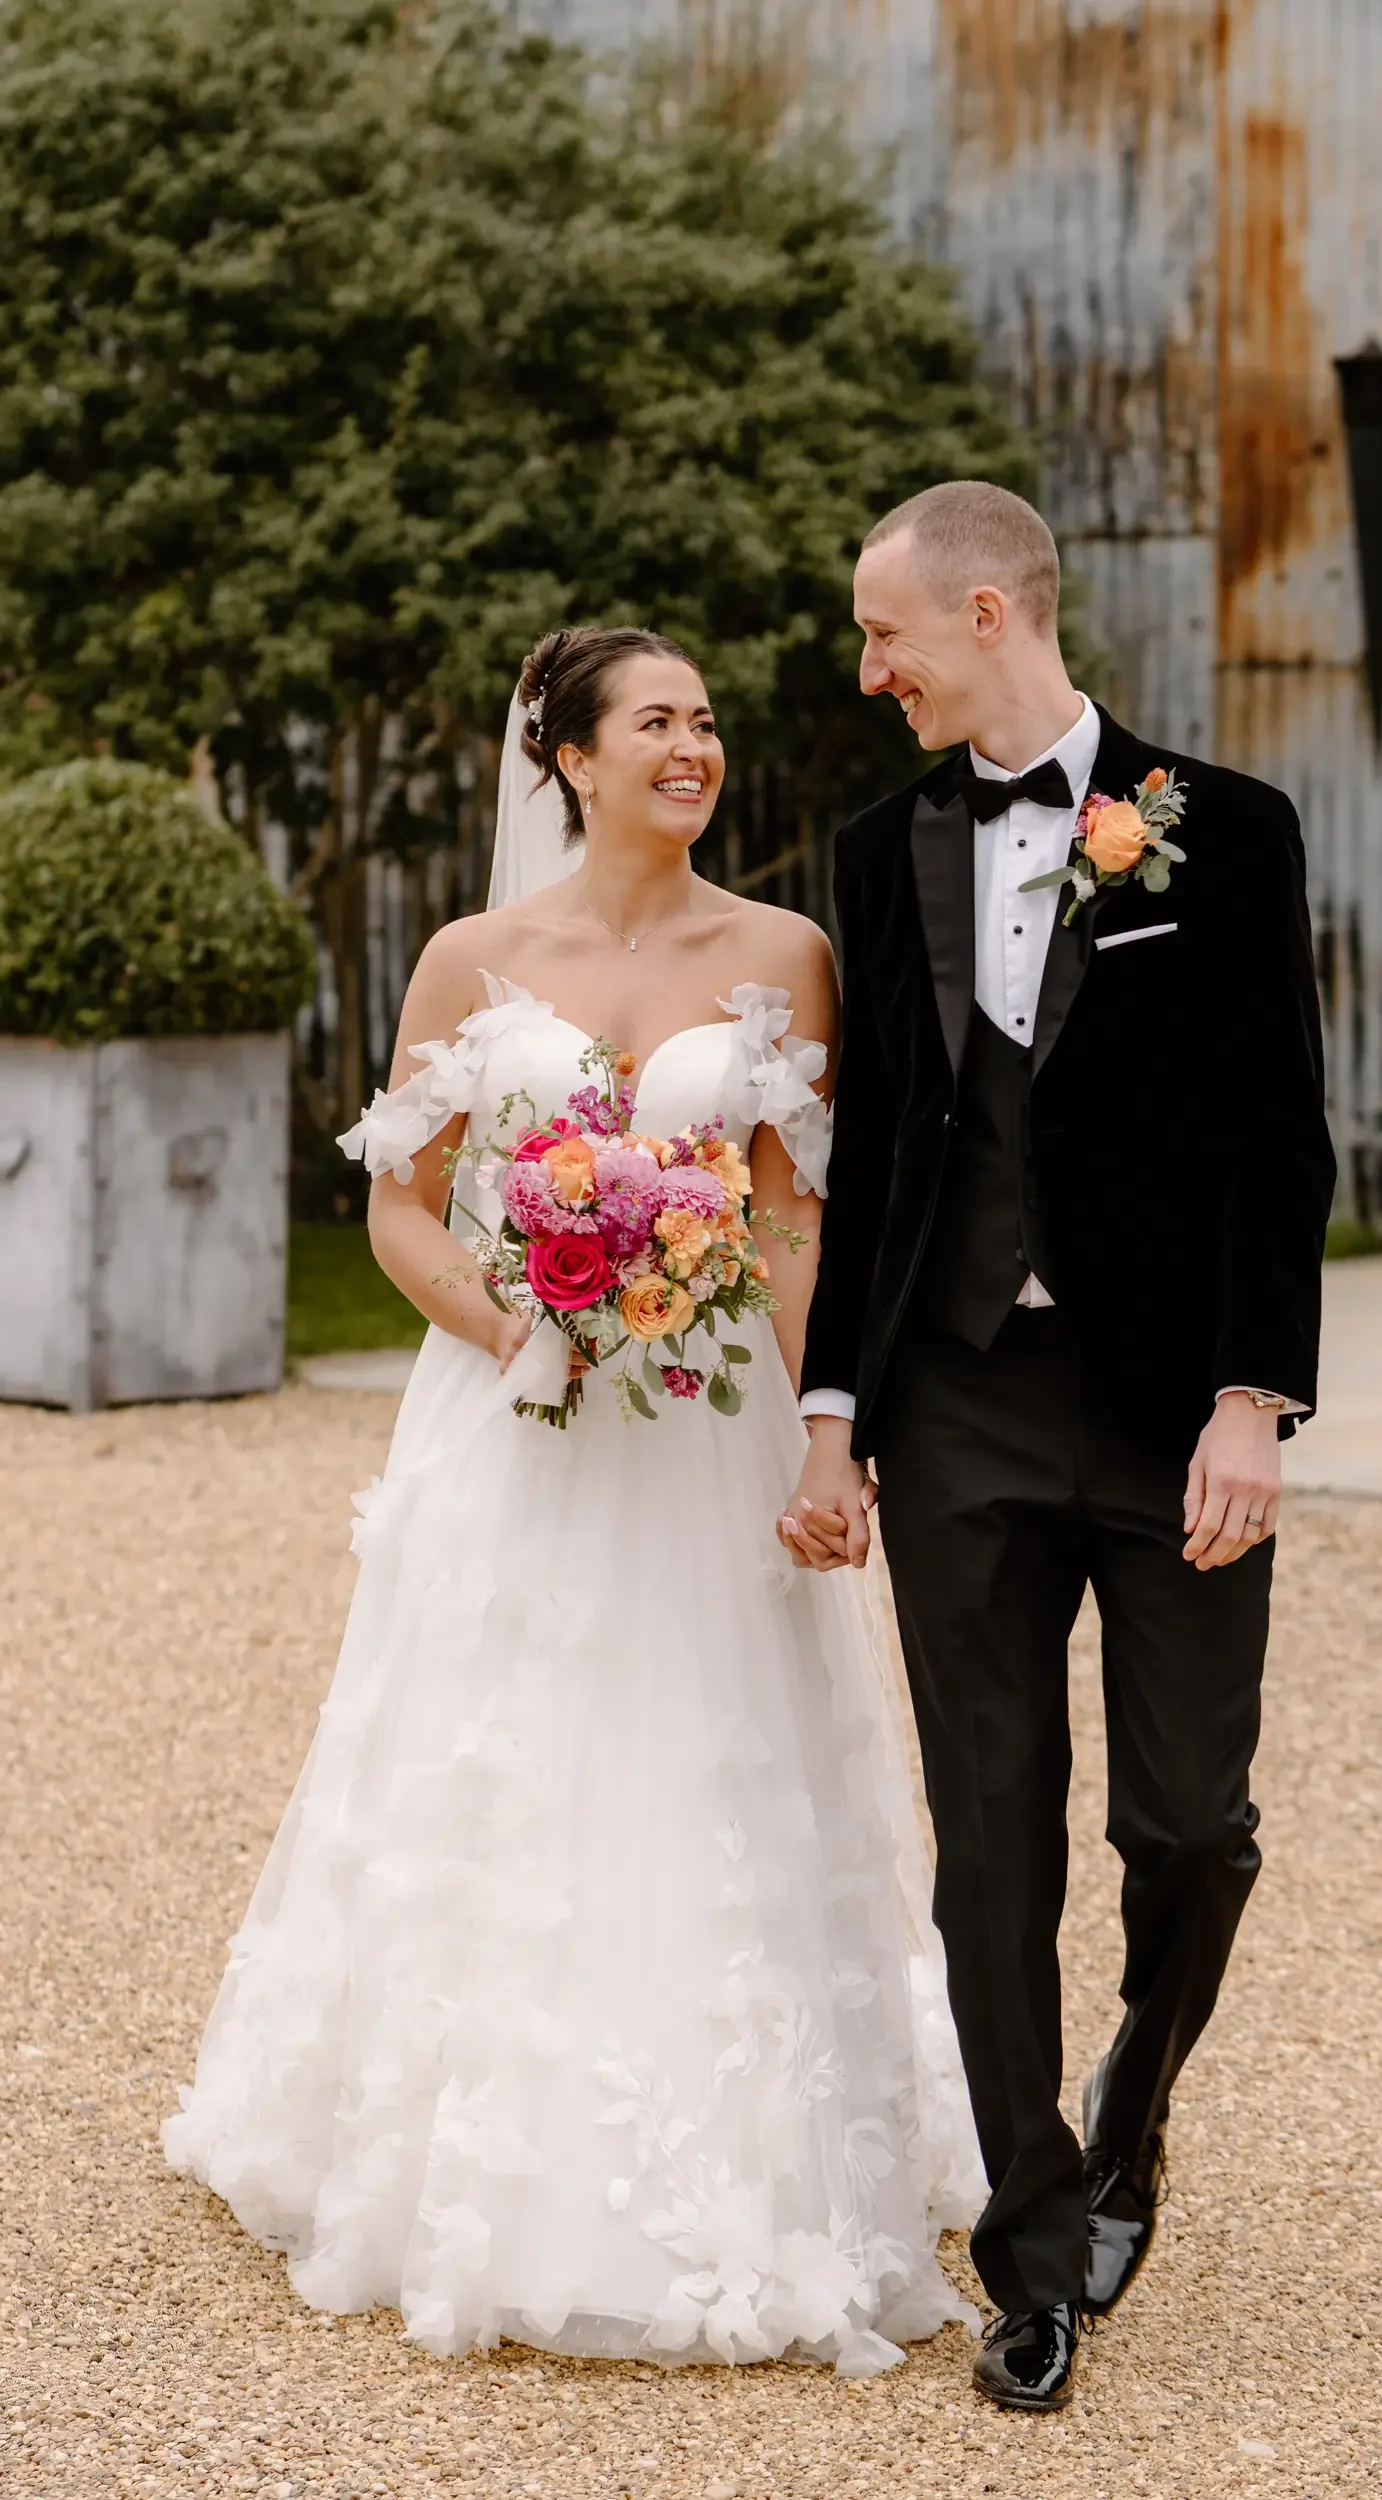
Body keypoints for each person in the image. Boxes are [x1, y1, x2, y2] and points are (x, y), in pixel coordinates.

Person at [165, 626, 984, 2375]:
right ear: (573, 756)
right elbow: (402, 1203)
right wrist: (518, 1325)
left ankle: (757, 2155)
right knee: (503, 1748)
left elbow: (788, 1221)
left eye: (706, 722)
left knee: (709, 1746)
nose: (694, 747)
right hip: (514, 1418)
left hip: (707, 1428)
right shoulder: (472, 960)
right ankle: (462, 2154)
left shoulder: (783, 952)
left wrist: (829, 1438)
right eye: (658, 722)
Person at [779, 483, 1336, 2412]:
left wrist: (1253, 1399)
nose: (871, 672)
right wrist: (835, 1414)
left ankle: (1131, 2107)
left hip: (1174, 1411)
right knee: (990, 1841)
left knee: (1189, 1828)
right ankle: (1032, 2251)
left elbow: (1278, 1133)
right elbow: (876, 1155)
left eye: (885, 635)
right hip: (956, 1410)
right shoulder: (880, 850)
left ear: (984, 611)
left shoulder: (1224, 826)